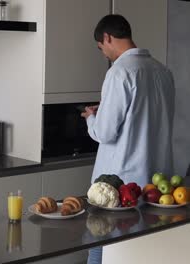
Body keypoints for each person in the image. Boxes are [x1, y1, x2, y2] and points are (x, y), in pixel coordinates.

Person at [81, 15, 175, 264]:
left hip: (120, 187)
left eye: (102, 48)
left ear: (107, 38)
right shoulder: (163, 71)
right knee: (139, 254)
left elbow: (106, 133)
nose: (105, 54)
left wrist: (92, 118)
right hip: (156, 183)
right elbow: (144, 119)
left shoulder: (120, 72)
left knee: (100, 247)